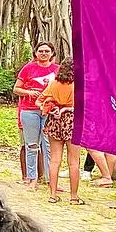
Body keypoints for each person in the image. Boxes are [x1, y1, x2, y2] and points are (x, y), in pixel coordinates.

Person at [40, 60, 83, 205]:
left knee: (54, 160)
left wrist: (54, 108)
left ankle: (52, 195)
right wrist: (67, 109)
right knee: (74, 162)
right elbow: (84, 105)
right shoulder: (79, 84)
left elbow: (40, 101)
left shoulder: (54, 84)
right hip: (73, 121)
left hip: (55, 120)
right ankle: (74, 197)